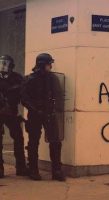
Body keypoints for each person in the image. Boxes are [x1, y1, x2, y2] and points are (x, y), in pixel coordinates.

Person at [21, 53, 65, 181]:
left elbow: (58, 95)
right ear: (42, 65)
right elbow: (24, 98)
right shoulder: (29, 79)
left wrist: (54, 109)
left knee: (55, 142)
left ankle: (56, 170)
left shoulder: (52, 78)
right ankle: (33, 170)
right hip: (35, 115)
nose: (50, 66)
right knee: (33, 142)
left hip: (49, 113)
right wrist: (35, 110)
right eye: (48, 64)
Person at [0, 55, 28, 178]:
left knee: (18, 139)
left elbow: (24, 95)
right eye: (2, 63)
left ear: (12, 66)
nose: (4, 66)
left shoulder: (17, 78)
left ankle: (21, 168)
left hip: (12, 112)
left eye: (6, 64)